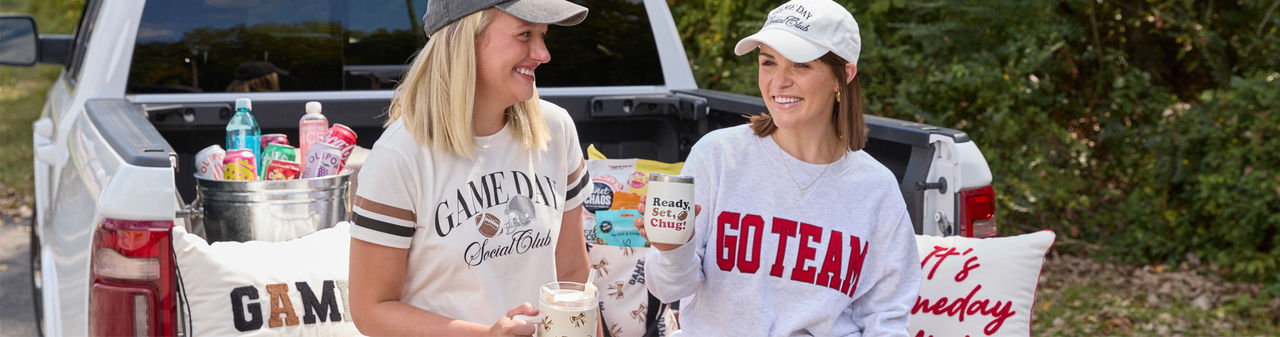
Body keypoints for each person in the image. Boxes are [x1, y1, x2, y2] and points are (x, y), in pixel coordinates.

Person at [635, 0, 921, 336]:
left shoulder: (876, 188)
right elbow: (668, 290)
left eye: (800, 65)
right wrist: (672, 249)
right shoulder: (719, 156)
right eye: (768, 62)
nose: (779, 81)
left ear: (843, 76)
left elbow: (885, 318)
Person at [347, 1, 594, 336]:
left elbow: (574, 277)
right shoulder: (400, 155)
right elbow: (371, 309)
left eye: (543, 35)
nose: (543, 54)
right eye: (525, 35)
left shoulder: (555, 129)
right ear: (466, 40)